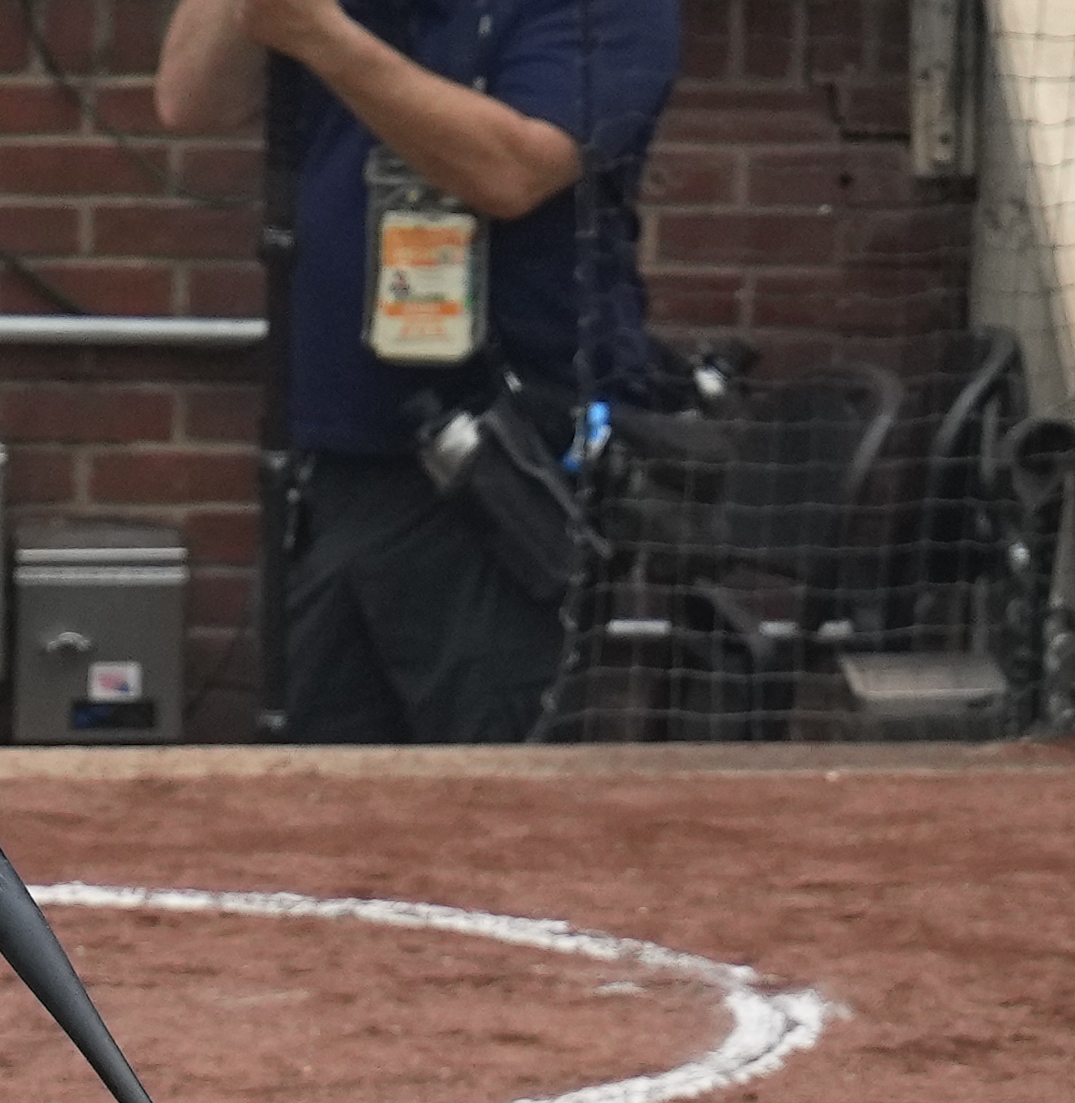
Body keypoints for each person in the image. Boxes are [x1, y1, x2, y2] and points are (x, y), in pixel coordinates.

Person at [156, 0, 685, 742]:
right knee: (319, 789)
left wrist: (320, 35)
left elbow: (515, 167)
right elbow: (191, 97)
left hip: (504, 470)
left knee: (490, 789)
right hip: (341, 456)